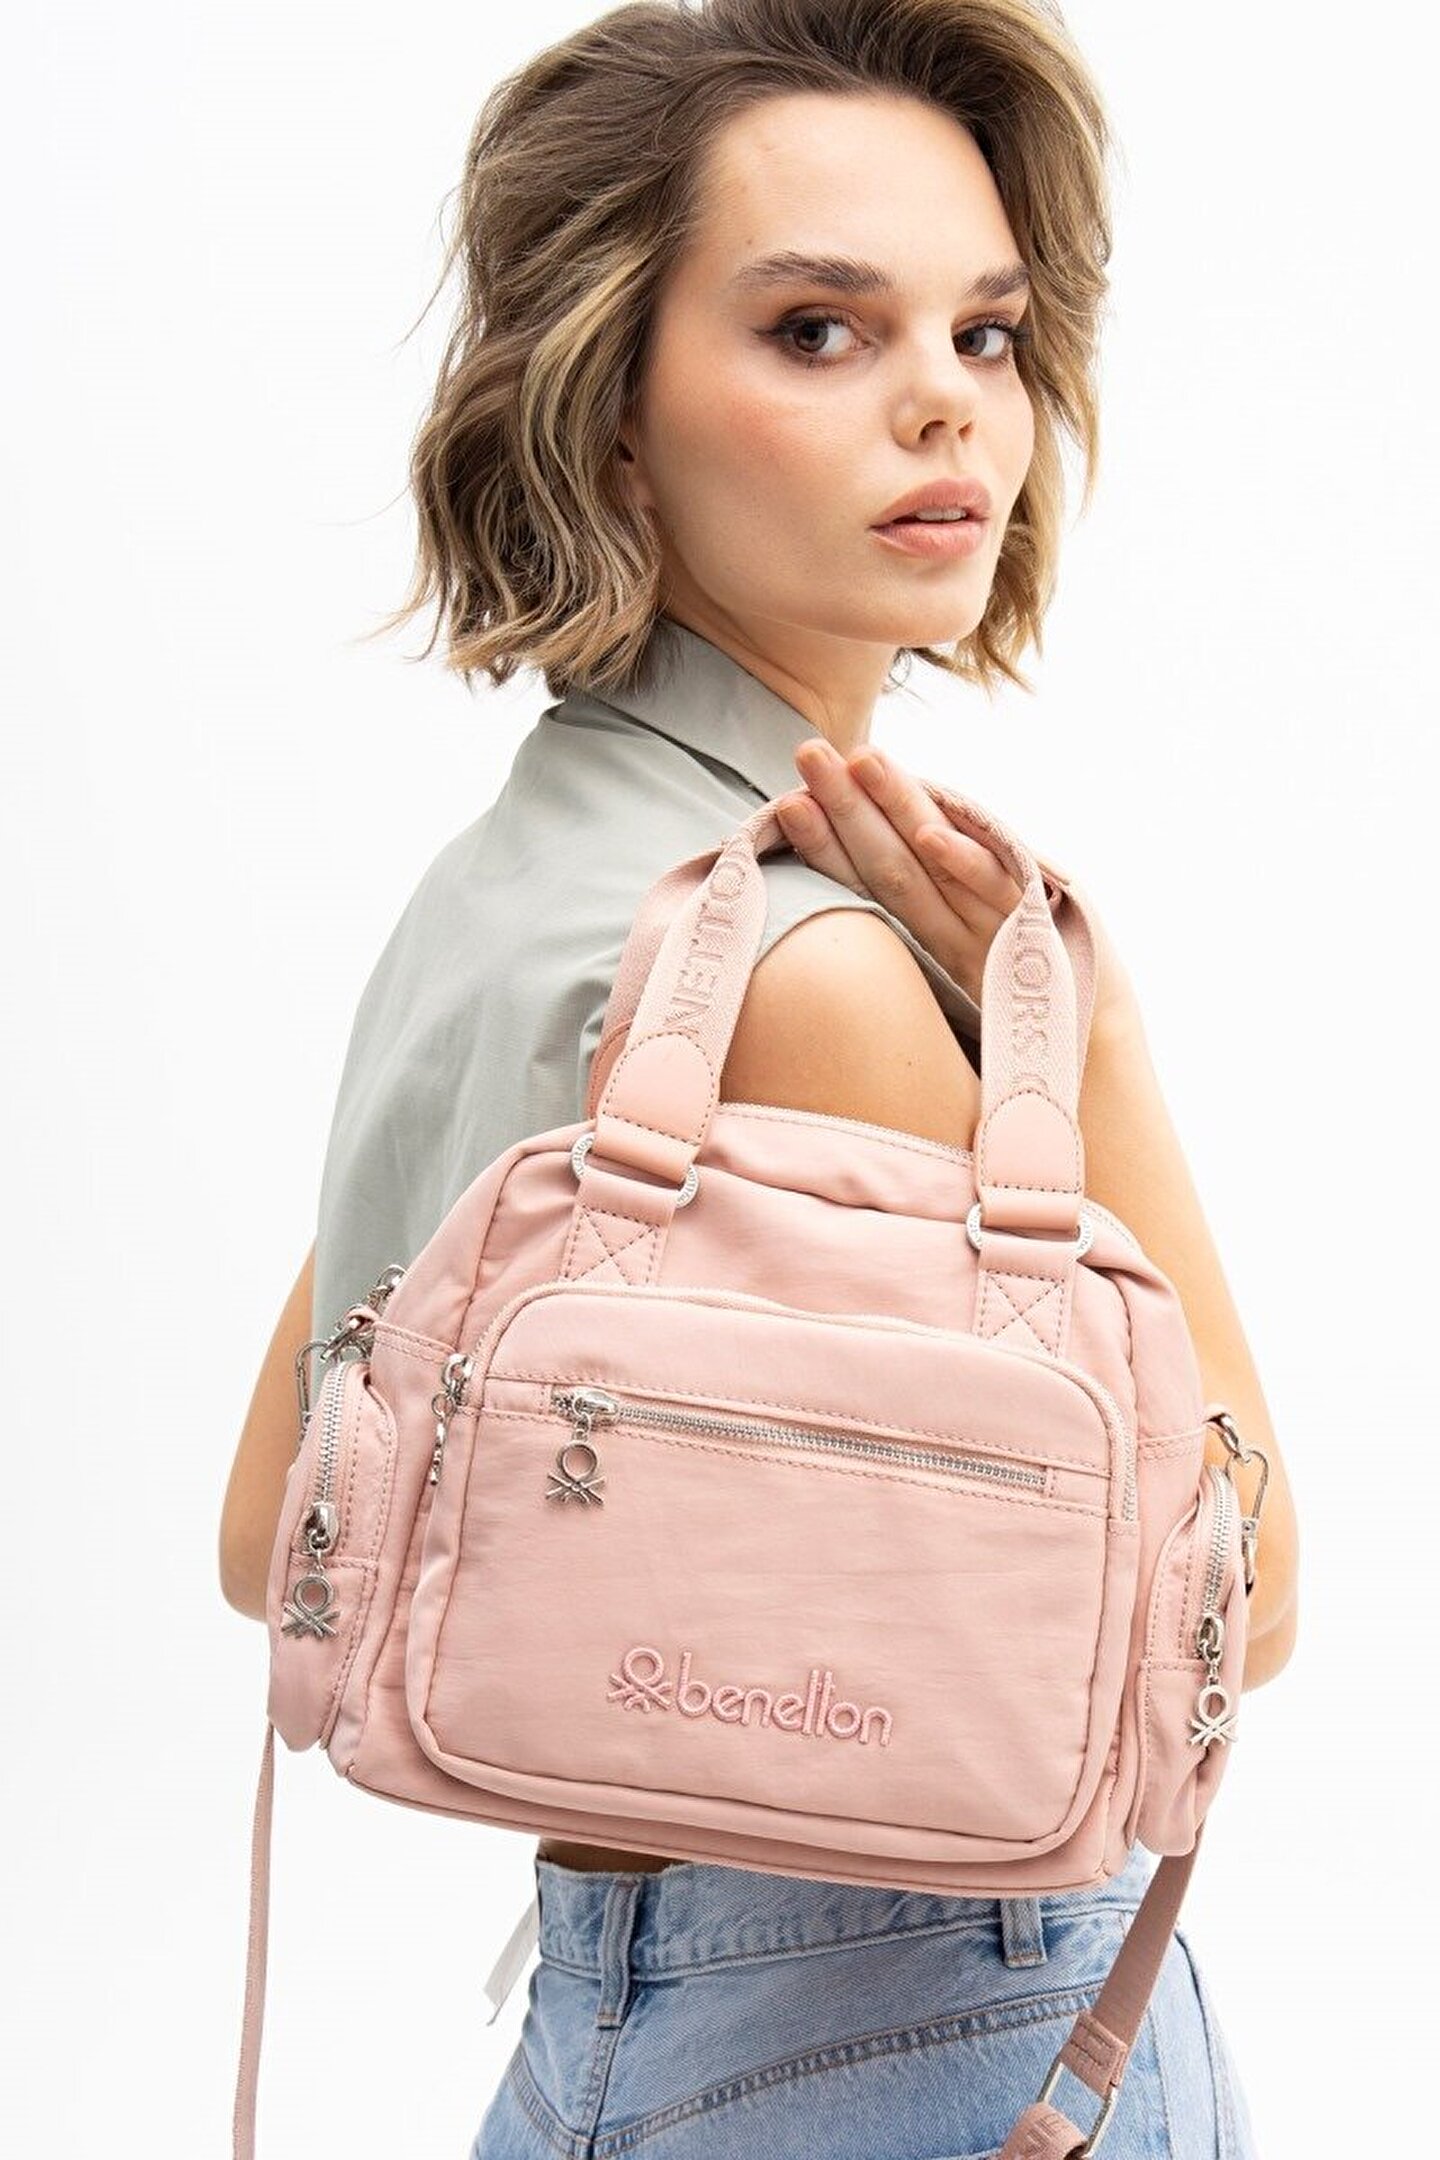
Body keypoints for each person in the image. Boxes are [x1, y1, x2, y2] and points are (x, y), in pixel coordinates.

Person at [219, 2, 1298, 2151]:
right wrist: (1091, 1041)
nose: (946, 403)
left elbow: (280, 1546)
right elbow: (1234, 1621)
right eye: (819, 329)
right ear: (612, 423)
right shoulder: (815, 981)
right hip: (940, 2017)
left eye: (986, 333)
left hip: (603, 2028)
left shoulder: (496, 893)